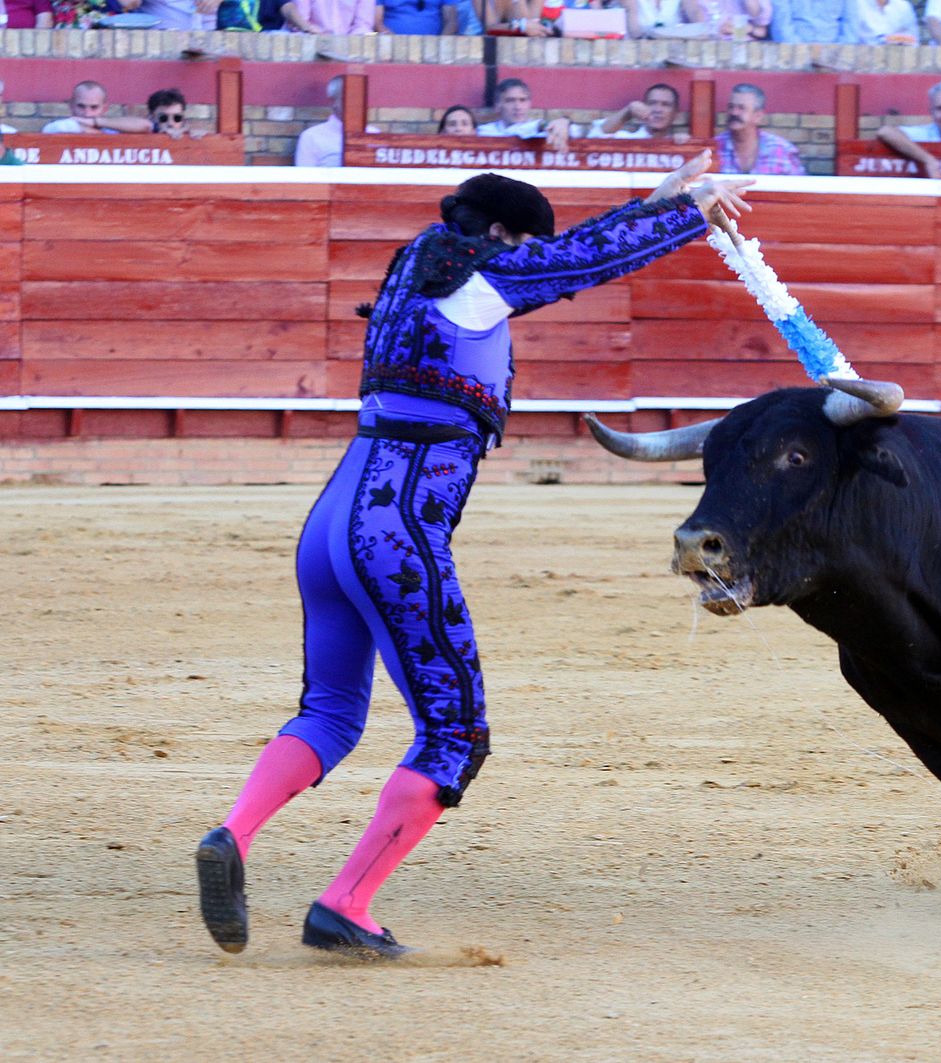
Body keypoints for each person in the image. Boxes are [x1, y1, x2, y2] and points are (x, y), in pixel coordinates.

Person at [194, 152, 754, 960]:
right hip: (395, 537)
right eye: (518, 245)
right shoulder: (476, 281)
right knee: (454, 733)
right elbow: (579, 261)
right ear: (497, 234)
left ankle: (233, 834)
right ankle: (345, 902)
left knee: (331, 710)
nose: (522, 261)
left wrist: (656, 198)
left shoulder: (412, 277)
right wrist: (690, 210)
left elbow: (571, 248)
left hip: (329, 525)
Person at [714, 83, 806, 175]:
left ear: (758, 116)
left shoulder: (781, 150)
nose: (734, 112)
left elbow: (800, 187)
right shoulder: (713, 149)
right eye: (731, 107)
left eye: (741, 108)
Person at [478, 78, 574, 152]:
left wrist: (564, 123)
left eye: (523, 100)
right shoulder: (484, 132)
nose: (518, 107)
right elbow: (517, 131)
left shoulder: (543, 132)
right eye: (510, 101)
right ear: (497, 106)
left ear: (529, 103)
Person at [295, 76, 361, 168]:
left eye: (358, 99)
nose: (354, 104)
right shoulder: (311, 137)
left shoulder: (373, 134)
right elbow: (304, 179)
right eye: (347, 99)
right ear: (333, 102)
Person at [587, 83, 681, 139]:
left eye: (665, 104)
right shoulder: (625, 139)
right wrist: (628, 111)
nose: (658, 110)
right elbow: (595, 136)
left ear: (675, 114)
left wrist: (686, 144)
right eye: (652, 103)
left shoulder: (679, 144)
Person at [844, 0, 917, 43]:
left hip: (897, 62)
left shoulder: (903, 6)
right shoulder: (856, 4)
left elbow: (914, 41)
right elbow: (850, 39)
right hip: (861, 60)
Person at [770, 0, 846, 40]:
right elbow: (782, 28)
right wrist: (801, 51)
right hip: (792, 50)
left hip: (836, 51)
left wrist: (839, 51)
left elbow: (851, 28)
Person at [376, 0, 456, 32]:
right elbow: (377, 22)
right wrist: (393, 42)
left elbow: (451, 22)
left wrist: (442, 44)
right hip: (391, 48)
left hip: (433, 51)